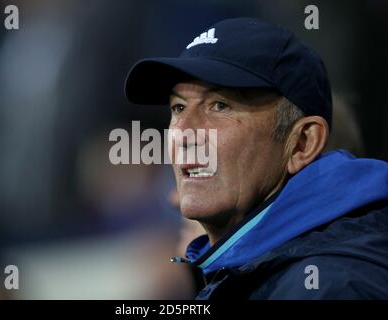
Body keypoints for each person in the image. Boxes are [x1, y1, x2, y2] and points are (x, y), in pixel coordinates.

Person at [124, 18, 388, 299]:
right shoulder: (253, 273)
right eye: (178, 107)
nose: (183, 134)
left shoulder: (329, 287)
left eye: (220, 105)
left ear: (302, 143)